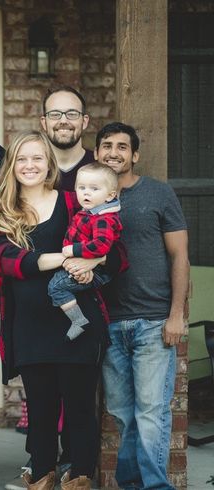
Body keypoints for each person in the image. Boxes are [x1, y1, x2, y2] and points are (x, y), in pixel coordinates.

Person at [0, 130, 126, 490]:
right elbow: (11, 264)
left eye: (37, 157)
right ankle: (42, 475)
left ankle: (79, 475)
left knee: (80, 407)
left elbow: (116, 253)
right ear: (12, 165)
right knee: (41, 410)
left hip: (77, 326)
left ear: (49, 163)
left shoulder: (73, 203)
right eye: (22, 158)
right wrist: (67, 256)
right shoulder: (3, 213)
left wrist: (94, 261)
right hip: (30, 327)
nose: (30, 165)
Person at [97, 122, 189, 490]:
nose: (114, 152)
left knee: (150, 412)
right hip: (108, 322)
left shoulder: (158, 193)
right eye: (107, 146)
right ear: (97, 153)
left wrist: (176, 314)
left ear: (134, 155)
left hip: (152, 321)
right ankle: (132, 483)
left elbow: (179, 255)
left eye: (122, 147)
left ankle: (154, 486)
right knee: (122, 414)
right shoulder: (89, 196)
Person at [48, 163, 122, 341]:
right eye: (81, 188)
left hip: (99, 272)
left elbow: (101, 245)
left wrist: (73, 250)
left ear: (110, 195)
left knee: (56, 286)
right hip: (87, 265)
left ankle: (78, 320)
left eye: (94, 189)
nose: (86, 193)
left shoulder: (103, 218)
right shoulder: (89, 212)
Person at [40, 86, 95, 192]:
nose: (63, 121)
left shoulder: (100, 167)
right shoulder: (31, 170)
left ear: (84, 122)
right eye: (55, 114)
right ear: (44, 122)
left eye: (72, 114)